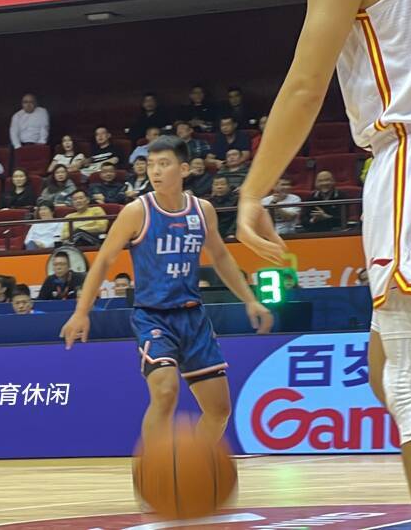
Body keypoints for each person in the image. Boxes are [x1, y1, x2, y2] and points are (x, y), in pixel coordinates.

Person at [61, 136, 272, 450]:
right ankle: (153, 471)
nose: (155, 171)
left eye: (164, 164)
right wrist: (81, 312)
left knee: (219, 411)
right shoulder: (137, 211)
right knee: (165, 392)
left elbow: (220, 257)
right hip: (153, 316)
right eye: (150, 164)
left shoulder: (202, 211)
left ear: (184, 169)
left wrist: (251, 299)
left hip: (194, 317)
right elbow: (103, 260)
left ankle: (193, 466)